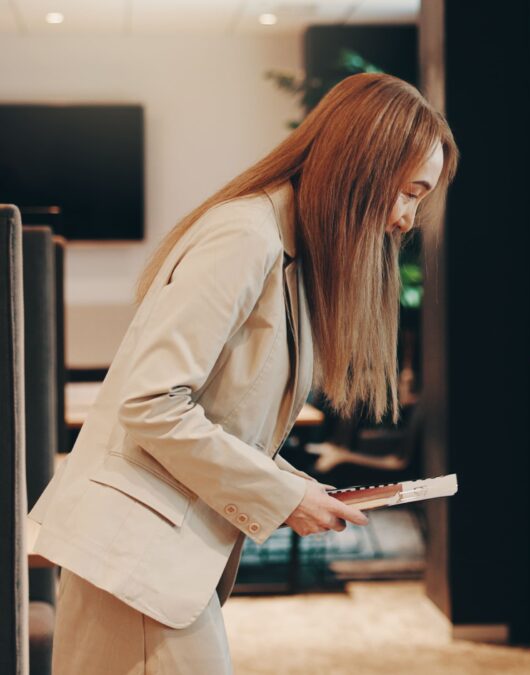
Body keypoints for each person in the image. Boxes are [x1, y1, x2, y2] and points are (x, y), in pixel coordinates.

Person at [27, 73, 458, 674]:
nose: (408, 219)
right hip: (133, 556)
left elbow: (220, 419)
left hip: (155, 558)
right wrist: (283, 494)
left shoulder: (285, 250)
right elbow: (151, 403)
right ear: (364, 165)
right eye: (409, 192)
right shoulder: (245, 236)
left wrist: (295, 488)